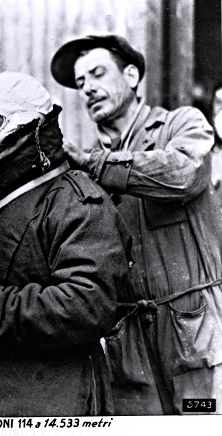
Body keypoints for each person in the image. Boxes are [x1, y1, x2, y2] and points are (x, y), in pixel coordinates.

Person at [51, 34, 222, 415]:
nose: (88, 89)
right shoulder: (80, 167)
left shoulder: (181, 125)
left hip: (194, 337)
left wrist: (98, 166)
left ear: (131, 75)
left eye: (97, 74)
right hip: (128, 347)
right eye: (81, 84)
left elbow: (186, 173)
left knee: (203, 422)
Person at [0, 71, 132, 417]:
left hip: (53, 400)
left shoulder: (75, 200)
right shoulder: (1, 196)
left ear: (29, 127)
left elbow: (87, 305)